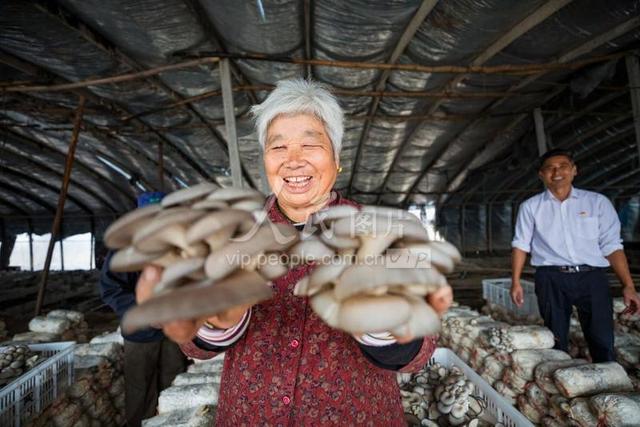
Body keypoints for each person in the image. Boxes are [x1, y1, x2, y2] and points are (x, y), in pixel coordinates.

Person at [134, 79, 453, 425]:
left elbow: (418, 354)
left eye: (310, 144)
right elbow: (195, 344)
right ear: (265, 161)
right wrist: (215, 320)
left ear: (336, 156)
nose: (294, 160)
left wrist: (383, 326)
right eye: (278, 147)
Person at [510, 148, 640, 362]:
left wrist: (628, 285)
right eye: (550, 168)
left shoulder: (597, 203)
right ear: (541, 175)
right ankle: (560, 386)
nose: (557, 172)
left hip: (592, 277)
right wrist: (515, 281)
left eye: (563, 166)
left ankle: (607, 380)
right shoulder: (531, 207)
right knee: (555, 337)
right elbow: (520, 244)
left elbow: (612, 246)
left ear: (574, 170)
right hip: (551, 278)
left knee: (602, 337)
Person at [100, 192, 189, 427]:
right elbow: (110, 290)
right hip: (140, 332)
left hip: (173, 329)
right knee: (140, 390)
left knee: (176, 383)